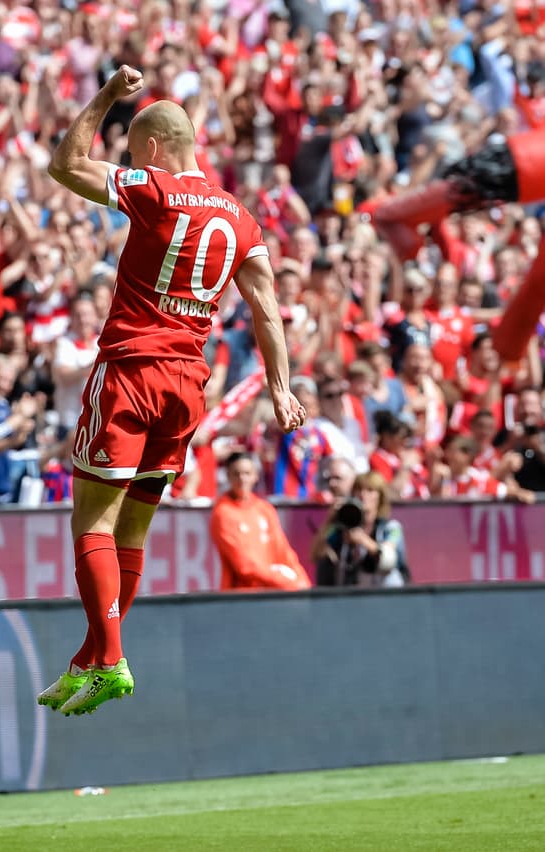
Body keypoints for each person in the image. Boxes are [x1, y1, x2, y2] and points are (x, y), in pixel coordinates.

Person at [35, 67, 305, 717]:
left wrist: (104, 95)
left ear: (154, 148)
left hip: (131, 370)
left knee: (91, 522)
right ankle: (91, 660)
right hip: (188, 387)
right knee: (132, 528)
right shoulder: (240, 219)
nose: (126, 158)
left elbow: (65, 166)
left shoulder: (153, 188)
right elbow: (266, 308)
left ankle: (110, 659)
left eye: (130, 148)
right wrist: (280, 387)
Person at [210, 453, 311, 591]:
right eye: (236, 474)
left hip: (271, 592)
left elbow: (282, 549)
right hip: (241, 596)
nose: (242, 479)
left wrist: (301, 580)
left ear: (255, 476)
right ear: (228, 476)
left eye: (247, 473)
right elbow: (244, 566)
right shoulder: (223, 512)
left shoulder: (264, 508)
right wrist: (284, 582)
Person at [315, 472, 410, 587]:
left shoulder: (391, 528)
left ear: (380, 497)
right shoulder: (344, 529)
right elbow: (316, 554)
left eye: (370, 490)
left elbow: (388, 560)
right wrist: (330, 520)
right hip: (353, 598)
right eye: (359, 490)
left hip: (387, 595)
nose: (363, 495)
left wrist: (363, 541)